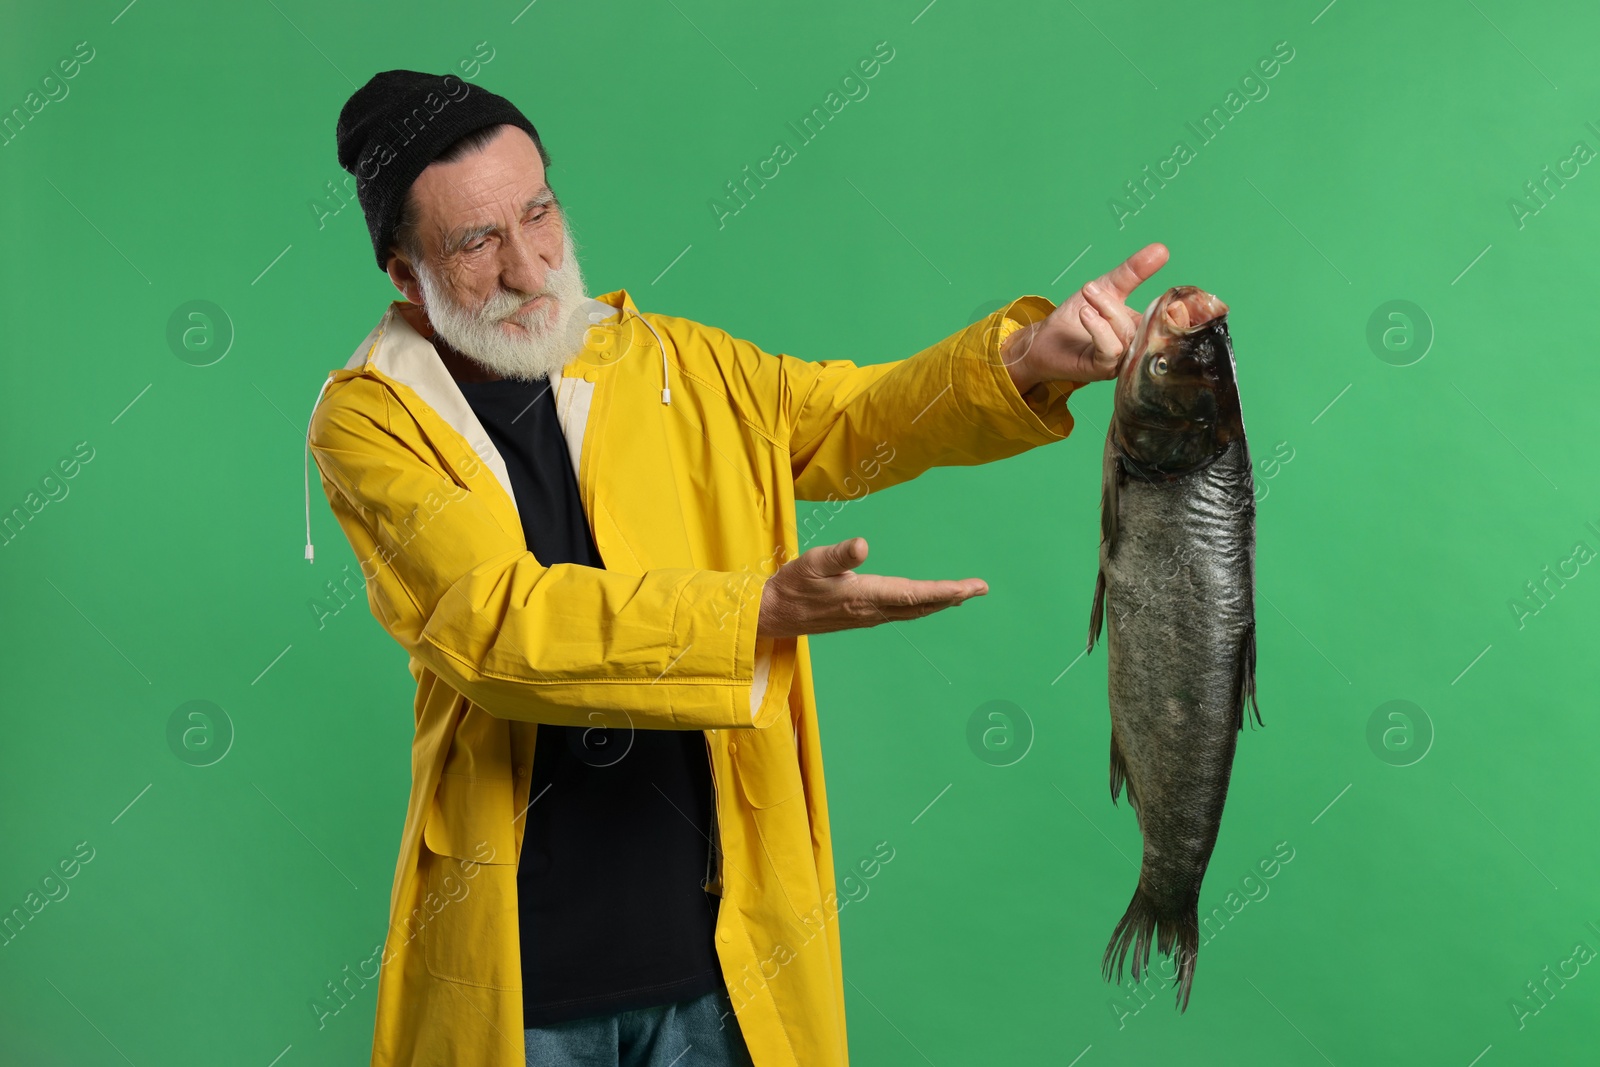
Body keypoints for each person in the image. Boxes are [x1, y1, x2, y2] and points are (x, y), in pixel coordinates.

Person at [309, 68, 1168, 1067]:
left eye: (538, 211)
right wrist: (749, 612)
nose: (529, 264)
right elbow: (494, 624)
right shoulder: (372, 418)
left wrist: (1025, 360)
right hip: (524, 980)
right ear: (405, 272)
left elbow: (852, 416)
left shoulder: (671, 364)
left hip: (721, 965)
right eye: (473, 242)